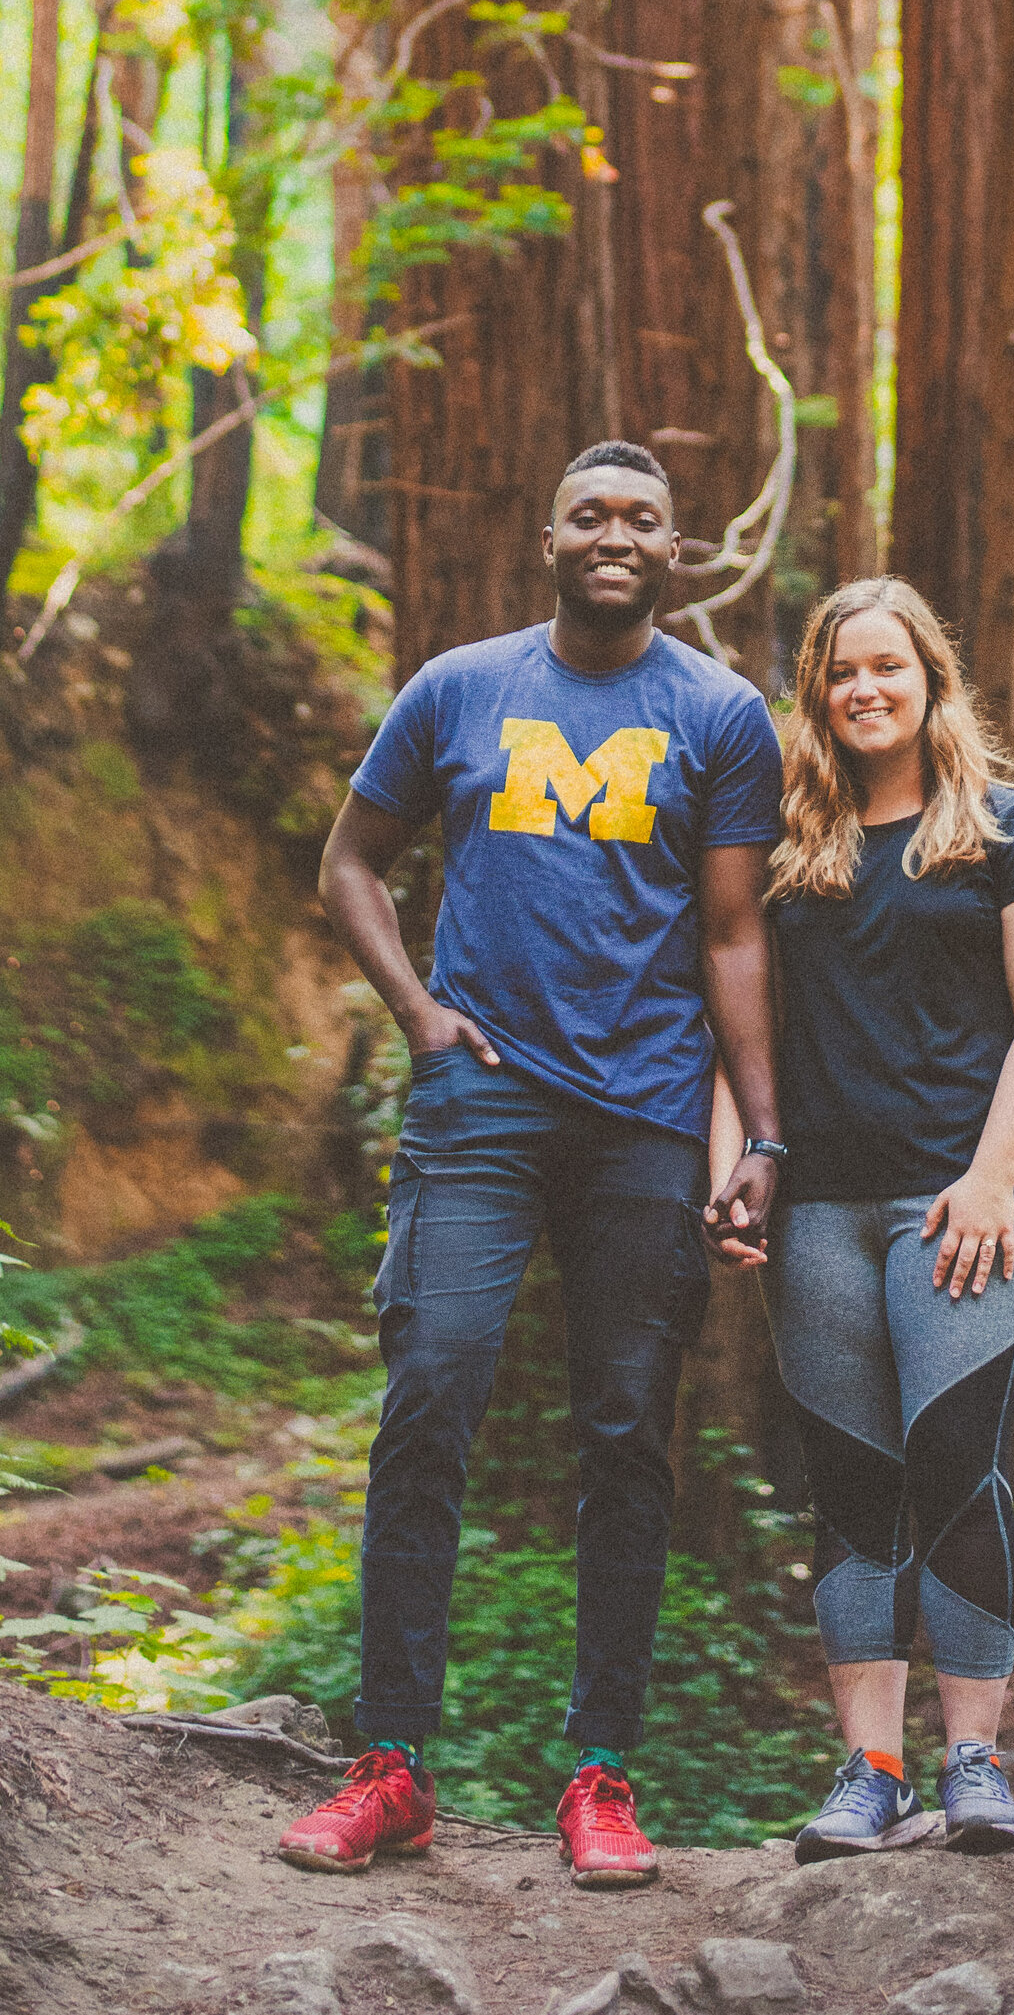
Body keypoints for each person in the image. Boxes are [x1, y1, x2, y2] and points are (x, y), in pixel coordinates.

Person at [279, 442, 784, 1893]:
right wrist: (420, 1013)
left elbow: (736, 934)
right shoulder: (457, 686)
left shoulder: (720, 713)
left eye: (639, 517)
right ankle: (392, 1768)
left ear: (675, 547)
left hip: (641, 1117)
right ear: (546, 532)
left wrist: (760, 1134)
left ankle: (602, 1778)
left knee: (628, 1431)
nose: (613, 534)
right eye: (588, 513)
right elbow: (351, 861)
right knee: (431, 1390)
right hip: (477, 1109)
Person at [733, 575, 1014, 1863]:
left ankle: (978, 1760)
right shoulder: (787, 847)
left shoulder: (1008, 830)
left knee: (953, 1464)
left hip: (967, 1204)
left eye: (890, 666)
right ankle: (869, 1772)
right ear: (818, 697)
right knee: (852, 1482)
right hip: (819, 1206)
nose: (865, 689)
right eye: (841, 672)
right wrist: (742, 1164)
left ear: (933, 680)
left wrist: (993, 1176)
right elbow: (739, 1027)